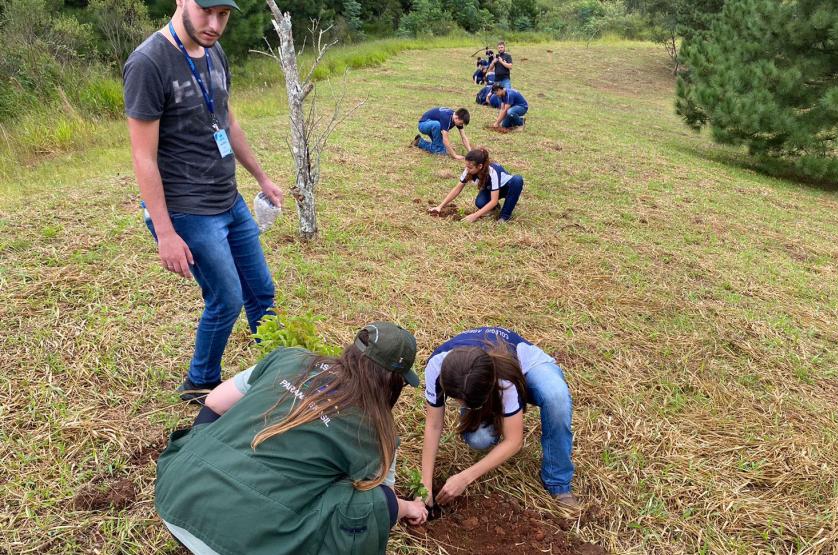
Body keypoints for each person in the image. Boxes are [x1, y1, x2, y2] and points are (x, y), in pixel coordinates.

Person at [124, 0, 283, 404]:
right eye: (205, 11)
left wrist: (261, 177)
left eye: (223, 15)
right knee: (226, 298)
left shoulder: (214, 50)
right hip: (187, 209)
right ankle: (200, 382)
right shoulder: (148, 63)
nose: (214, 25)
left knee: (261, 291)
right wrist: (165, 233)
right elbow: (143, 157)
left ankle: (276, 371)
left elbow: (228, 121)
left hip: (228, 198)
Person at [155, 322, 429, 555]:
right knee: (372, 499)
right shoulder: (378, 431)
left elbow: (214, 402)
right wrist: (409, 507)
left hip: (176, 495)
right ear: (394, 382)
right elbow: (382, 506)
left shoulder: (289, 358)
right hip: (243, 543)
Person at [419, 327, 579, 510]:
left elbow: (514, 441)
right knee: (479, 438)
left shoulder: (504, 377)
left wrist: (465, 477)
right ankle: (502, 417)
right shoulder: (436, 367)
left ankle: (558, 483)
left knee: (556, 397)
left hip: (529, 368)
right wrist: (425, 484)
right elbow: (433, 424)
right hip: (481, 380)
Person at [428, 148, 523, 223]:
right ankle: (494, 208)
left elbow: (493, 201)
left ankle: (504, 216)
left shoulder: (492, 172)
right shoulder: (468, 170)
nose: (467, 169)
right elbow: (457, 189)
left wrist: (474, 216)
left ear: (480, 166)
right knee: (480, 203)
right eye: (466, 166)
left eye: (470, 167)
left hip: (506, 188)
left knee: (517, 180)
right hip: (491, 189)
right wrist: (440, 206)